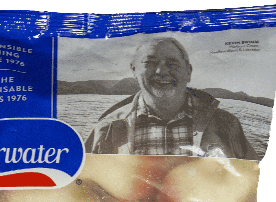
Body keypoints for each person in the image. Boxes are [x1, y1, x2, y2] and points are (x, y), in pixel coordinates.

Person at [84, 37, 258, 159]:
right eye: (150, 63)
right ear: (134, 70)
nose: (161, 71)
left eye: (172, 64)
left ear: (188, 72)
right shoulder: (106, 129)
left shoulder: (227, 125)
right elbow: (82, 185)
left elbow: (254, 182)